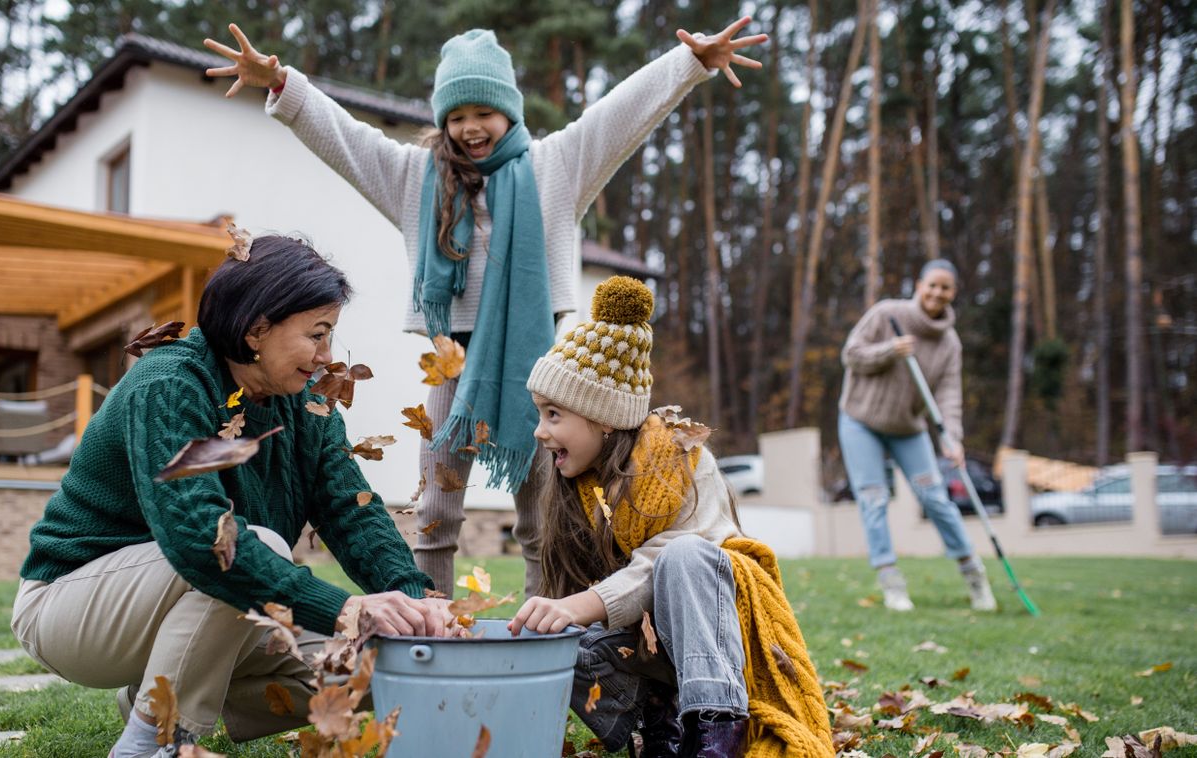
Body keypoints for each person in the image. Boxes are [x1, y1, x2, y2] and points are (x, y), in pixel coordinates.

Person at [202, 19, 768, 596]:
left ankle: (544, 631)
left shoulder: (556, 167)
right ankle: (432, 627)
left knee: (542, 522)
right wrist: (282, 84)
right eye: (455, 116)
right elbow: (347, 139)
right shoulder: (415, 179)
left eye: (482, 112)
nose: (469, 127)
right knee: (435, 516)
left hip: (537, 370)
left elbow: (619, 115)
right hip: (452, 364)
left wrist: (690, 64)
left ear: (510, 111)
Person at [11, 235, 451, 758]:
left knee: (377, 665)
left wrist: (415, 600)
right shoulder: (172, 385)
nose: (326, 355)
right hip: (72, 609)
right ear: (256, 328)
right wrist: (345, 607)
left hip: (197, 607)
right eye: (317, 334)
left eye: (330, 334)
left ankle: (160, 692)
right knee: (244, 542)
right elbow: (199, 538)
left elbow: (350, 510)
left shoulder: (305, 404)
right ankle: (154, 743)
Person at [508, 276, 832, 757]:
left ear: (602, 417)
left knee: (682, 557)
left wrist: (584, 604)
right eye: (540, 414)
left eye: (553, 415)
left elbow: (662, 566)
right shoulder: (575, 487)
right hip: (646, 644)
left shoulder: (683, 463)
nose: (540, 431)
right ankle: (658, 717)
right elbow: (563, 592)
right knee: (557, 642)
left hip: (717, 642)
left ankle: (713, 730)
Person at [837, 258, 997, 612]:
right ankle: (891, 582)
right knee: (874, 497)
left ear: (953, 293)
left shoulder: (949, 343)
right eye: (932, 285)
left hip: (908, 429)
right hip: (860, 421)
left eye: (946, 288)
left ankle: (974, 575)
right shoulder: (886, 315)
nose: (937, 293)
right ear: (919, 285)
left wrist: (952, 437)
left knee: (935, 497)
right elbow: (851, 355)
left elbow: (949, 395)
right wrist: (890, 351)